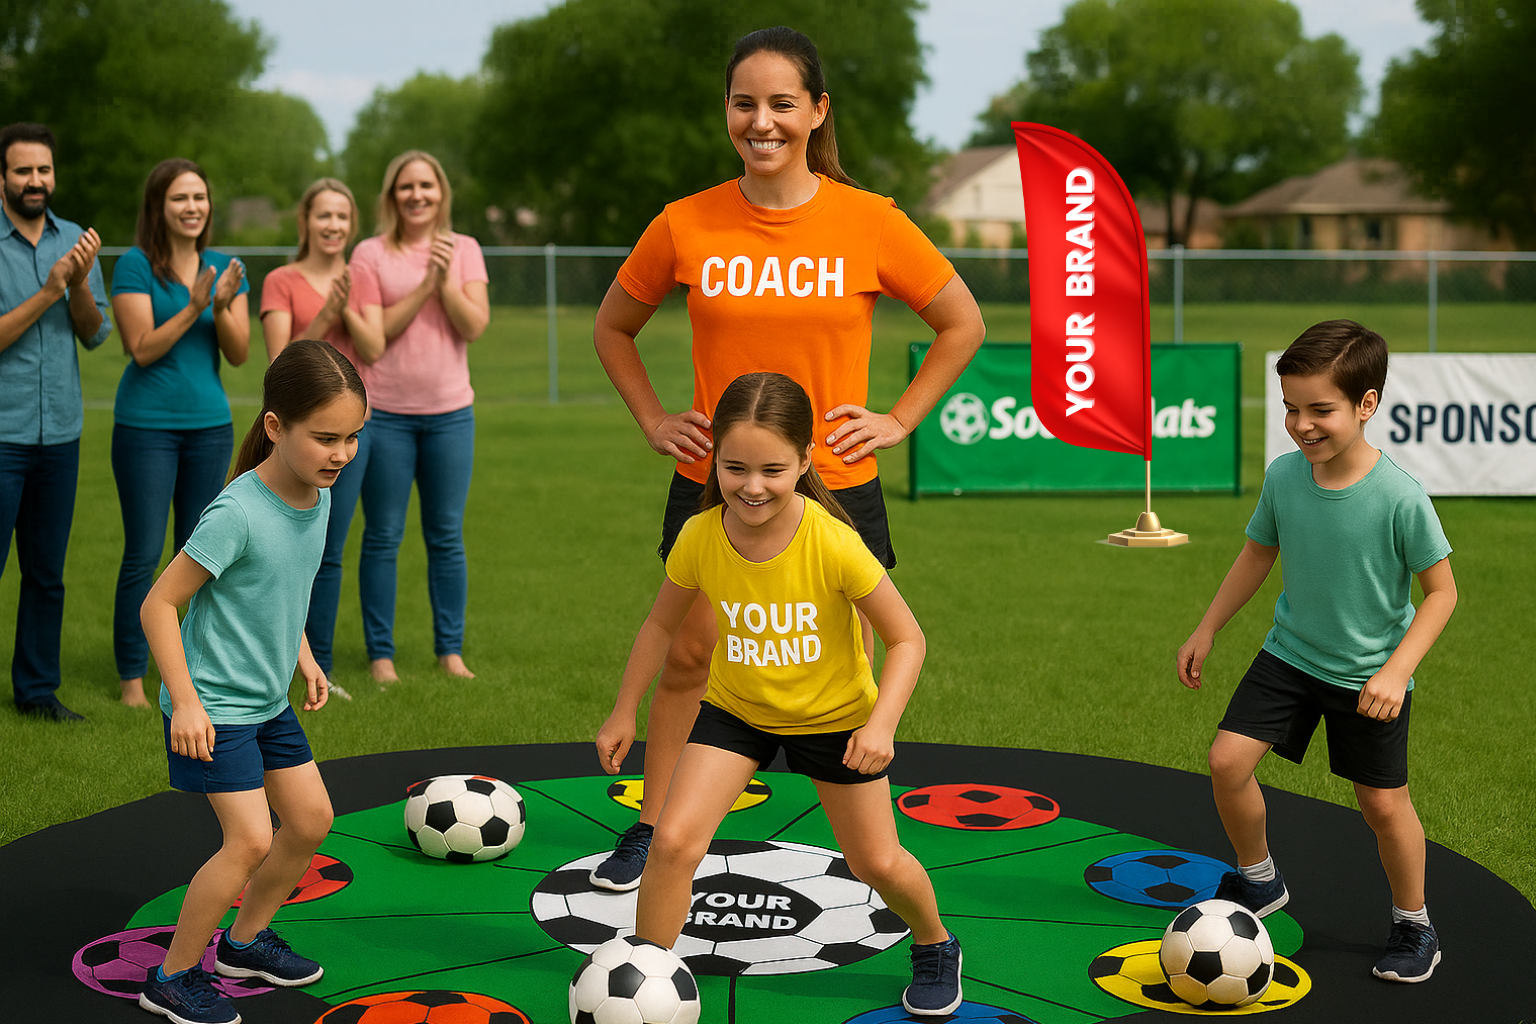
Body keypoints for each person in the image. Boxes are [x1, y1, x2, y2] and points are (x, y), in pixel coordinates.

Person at [590, 25, 985, 890]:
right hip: (716, 485)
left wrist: (900, 418)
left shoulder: (870, 220)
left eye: (780, 103)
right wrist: (654, 417)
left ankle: (865, 847)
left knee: (842, 672)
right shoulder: (685, 222)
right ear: (727, 112)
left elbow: (962, 322)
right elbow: (613, 327)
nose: (761, 121)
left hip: (835, 486)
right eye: (744, 103)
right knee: (690, 658)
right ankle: (652, 826)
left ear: (817, 111)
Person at [597, 372, 963, 1016]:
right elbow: (659, 625)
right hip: (736, 713)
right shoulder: (701, 535)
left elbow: (908, 639)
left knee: (877, 863)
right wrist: (624, 708)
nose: (753, 486)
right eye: (735, 468)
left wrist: (881, 724)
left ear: (804, 461)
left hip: (835, 723)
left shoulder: (834, 542)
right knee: (673, 843)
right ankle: (647, 973)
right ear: (715, 460)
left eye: (773, 470)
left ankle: (936, 942)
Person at [1176, 320, 1457, 985]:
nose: (1301, 425)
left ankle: (1415, 924)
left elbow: (1442, 593)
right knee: (1226, 761)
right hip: (1290, 656)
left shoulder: (1400, 497)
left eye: (1320, 409)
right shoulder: (1284, 476)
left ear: (1366, 404)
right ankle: (1259, 878)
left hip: (1368, 676)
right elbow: (1257, 553)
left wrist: (1396, 671)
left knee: (1382, 807)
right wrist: (1207, 627)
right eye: (1291, 408)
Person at [137, 340, 364, 1024]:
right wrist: (185, 702)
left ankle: (242, 944)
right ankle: (172, 976)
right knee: (250, 840)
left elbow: (279, 593)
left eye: (352, 438)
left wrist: (303, 657)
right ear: (275, 426)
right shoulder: (237, 513)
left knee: (312, 821)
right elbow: (159, 605)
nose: (341, 454)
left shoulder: (317, 496)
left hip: (266, 700)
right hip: (214, 705)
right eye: (325, 438)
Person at [111, 158, 249, 708]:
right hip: (146, 427)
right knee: (143, 553)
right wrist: (195, 305)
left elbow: (238, 353)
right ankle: (131, 679)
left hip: (210, 428)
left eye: (199, 197)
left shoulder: (225, 267)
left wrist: (222, 305)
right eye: (179, 198)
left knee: (200, 554)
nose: (192, 207)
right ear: (158, 206)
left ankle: (191, 672)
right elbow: (141, 348)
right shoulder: (135, 264)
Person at [349, 150, 489, 683]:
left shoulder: (465, 249)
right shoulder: (370, 254)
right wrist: (426, 285)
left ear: (441, 193)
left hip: (450, 416)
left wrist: (444, 279)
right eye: (406, 186)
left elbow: (474, 325)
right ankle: (380, 656)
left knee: (446, 536)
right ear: (392, 196)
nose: (417, 195)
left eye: (426, 186)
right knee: (383, 536)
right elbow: (376, 337)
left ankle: (449, 651)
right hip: (383, 415)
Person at [0, 122, 110, 722]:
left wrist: (79, 284)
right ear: (3, 177)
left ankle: (37, 692)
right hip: (3, 434)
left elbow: (94, 334)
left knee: (46, 574)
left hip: (60, 435)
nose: (35, 180)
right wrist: (50, 291)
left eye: (43, 169)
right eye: (23, 170)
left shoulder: (76, 240)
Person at [260, 178, 384, 681]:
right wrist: (326, 314)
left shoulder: (362, 278)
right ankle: (274, 661)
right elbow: (278, 365)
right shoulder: (282, 280)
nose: (333, 225)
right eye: (323, 215)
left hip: (348, 434)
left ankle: (320, 668)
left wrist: (346, 307)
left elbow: (373, 348)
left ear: (352, 225)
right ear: (305, 222)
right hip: (298, 438)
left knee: (327, 552)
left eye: (342, 216)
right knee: (278, 550)